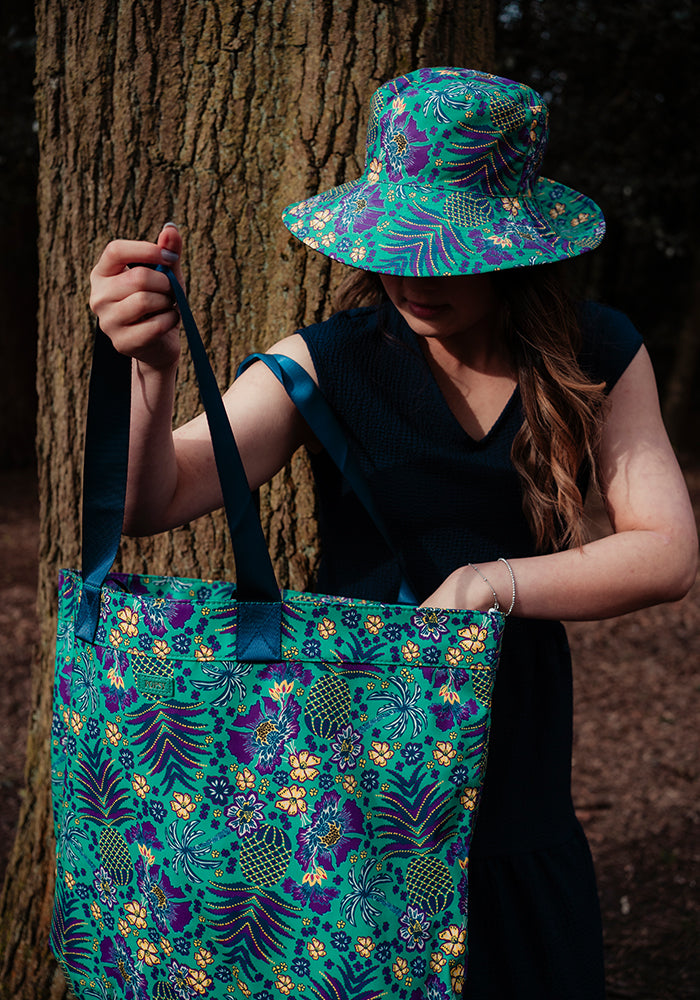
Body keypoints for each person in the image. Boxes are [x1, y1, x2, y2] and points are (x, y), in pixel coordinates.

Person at [89, 67, 696, 999]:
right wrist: (152, 372)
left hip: (511, 734)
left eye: (447, 250)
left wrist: (497, 584)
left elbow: (666, 551)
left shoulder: (595, 351)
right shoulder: (329, 359)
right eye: (396, 245)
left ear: (518, 247)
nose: (413, 274)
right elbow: (153, 500)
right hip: (350, 741)